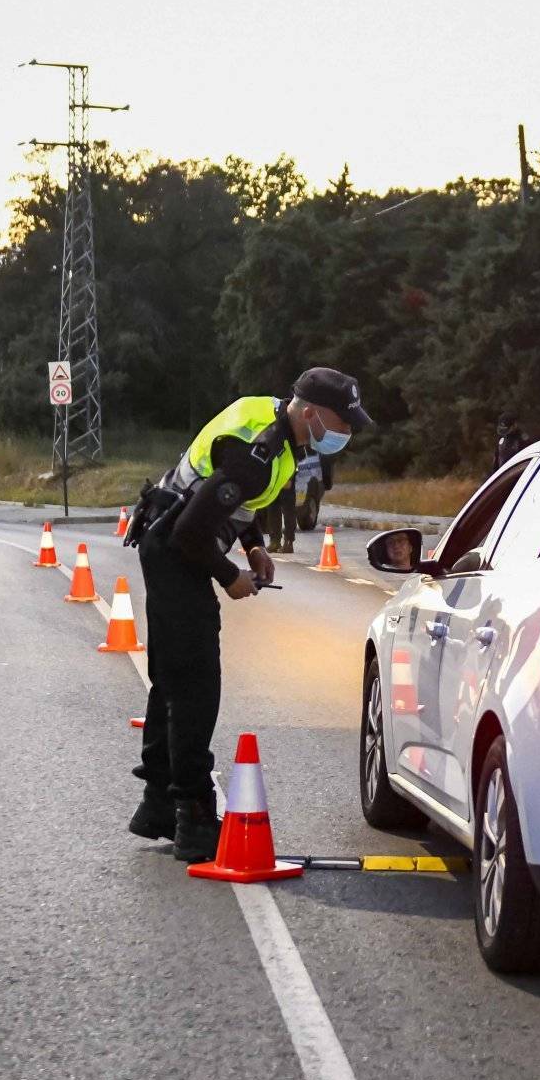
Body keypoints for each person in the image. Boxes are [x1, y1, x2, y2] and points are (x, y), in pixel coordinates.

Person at [126, 366, 371, 861]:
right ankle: (193, 817)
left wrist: (254, 545)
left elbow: (231, 502)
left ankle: (157, 803)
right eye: (341, 423)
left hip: (171, 541)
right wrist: (228, 576)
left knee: (174, 680)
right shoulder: (260, 452)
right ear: (310, 413)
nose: (346, 433)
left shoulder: (275, 436)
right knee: (195, 686)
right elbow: (190, 531)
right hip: (176, 550)